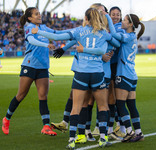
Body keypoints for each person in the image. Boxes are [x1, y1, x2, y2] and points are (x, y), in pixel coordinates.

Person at [32, 7, 115, 149]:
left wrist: (38, 31)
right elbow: (112, 45)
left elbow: (58, 36)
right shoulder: (103, 33)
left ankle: (72, 140)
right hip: (97, 73)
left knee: (76, 107)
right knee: (103, 106)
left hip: (81, 73)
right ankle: (103, 138)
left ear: (86, 18)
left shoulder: (78, 31)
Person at [1, 7, 57, 136]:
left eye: (39, 13)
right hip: (30, 65)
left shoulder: (43, 28)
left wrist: (75, 33)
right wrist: (46, 45)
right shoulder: (29, 27)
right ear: (29, 18)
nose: (39, 15)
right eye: (36, 14)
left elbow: (57, 33)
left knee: (43, 97)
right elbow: (31, 40)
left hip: (43, 67)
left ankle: (46, 126)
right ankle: (7, 119)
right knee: (21, 95)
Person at [105, 12, 145, 142]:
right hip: (132, 75)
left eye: (125, 20)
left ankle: (129, 131)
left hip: (123, 74)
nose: (122, 21)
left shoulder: (127, 36)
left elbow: (114, 34)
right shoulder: (132, 37)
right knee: (131, 105)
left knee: (120, 104)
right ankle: (138, 132)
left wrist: (107, 18)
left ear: (130, 24)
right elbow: (116, 40)